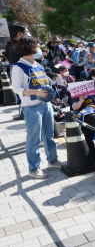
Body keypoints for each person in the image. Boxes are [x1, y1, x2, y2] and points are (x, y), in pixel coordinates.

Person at [10, 36, 64, 178]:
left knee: (49, 135)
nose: (39, 49)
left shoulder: (38, 65)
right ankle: (33, 169)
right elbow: (16, 88)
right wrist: (36, 92)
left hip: (45, 104)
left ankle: (52, 160)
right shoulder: (18, 67)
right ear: (30, 48)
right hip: (31, 107)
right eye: (37, 46)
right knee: (34, 138)